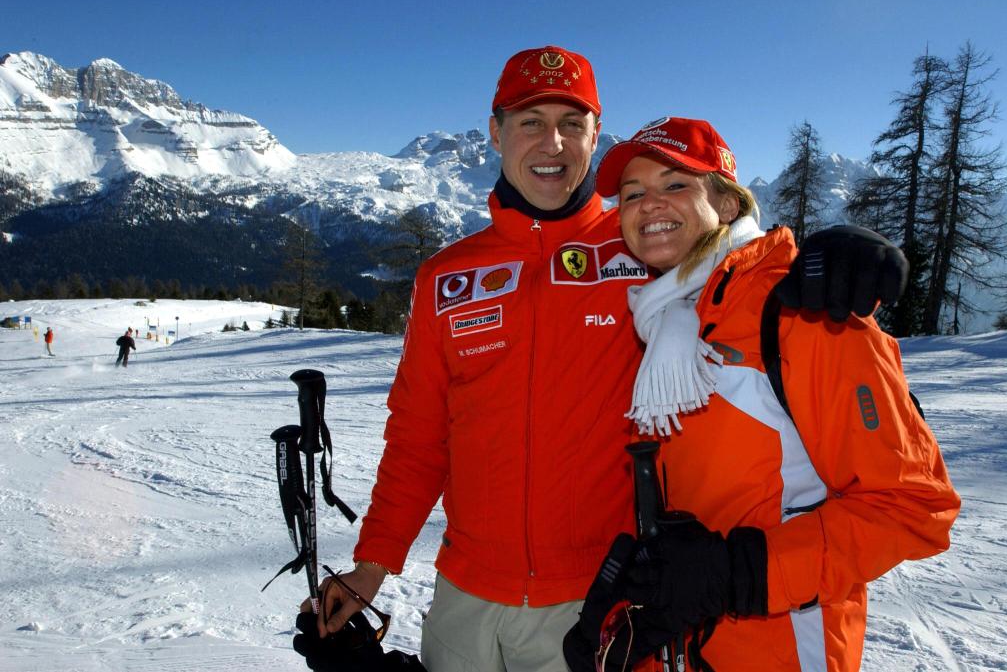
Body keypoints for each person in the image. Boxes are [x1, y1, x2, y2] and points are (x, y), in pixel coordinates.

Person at [301, 47, 911, 672]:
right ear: (495, 131)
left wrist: (830, 255)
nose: (552, 142)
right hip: (465, 595)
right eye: (530, 121)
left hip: (597, 598)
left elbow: (727, 261)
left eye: (572, 122)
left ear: (596, 134)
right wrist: (371, 568)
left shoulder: (640, 252)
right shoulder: (446, 276)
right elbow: (419, 437)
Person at [563, 117, 960, 671]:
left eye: (675, 184)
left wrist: (737, 574)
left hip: (780, 649)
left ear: (727, 206)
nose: (649, 204)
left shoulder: (805, 316)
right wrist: (619, 606)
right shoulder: (661, 326)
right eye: (633, 194)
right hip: (683, 645)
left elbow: (914, 508)